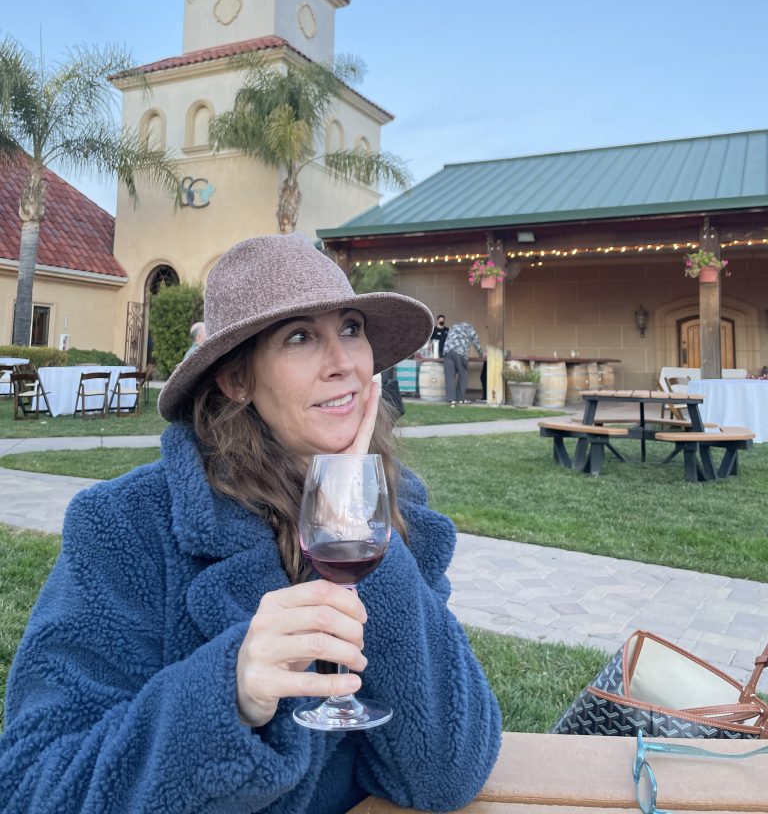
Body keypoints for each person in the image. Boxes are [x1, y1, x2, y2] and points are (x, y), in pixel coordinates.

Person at [1, 234, 501, 814]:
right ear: (236, 381)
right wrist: (228, 693)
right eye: (299, 338)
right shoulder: (128, 526)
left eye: (350, 328)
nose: (342, 363)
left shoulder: (398, 519)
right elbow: (34, 785)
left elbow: (447, 771)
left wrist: (351, 517)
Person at [443, 320, 485, 406]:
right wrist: (481, 354)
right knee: (463, 375)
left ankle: (451, 400)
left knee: (449, 377)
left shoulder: (453, 327)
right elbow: (475, 342)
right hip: (460, 352)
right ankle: (460, 399)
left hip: (447, 352)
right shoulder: (470, 328)